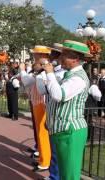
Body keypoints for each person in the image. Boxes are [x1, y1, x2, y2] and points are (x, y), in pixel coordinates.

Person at [44, 40, 91, 180]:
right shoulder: (69, 74)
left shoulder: (78, 78)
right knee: (65, 174)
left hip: (70, 132)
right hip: (62, 130)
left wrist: (50, 74)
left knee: (69, 176)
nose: (60, 58)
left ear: (75, 59)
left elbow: (59, 96)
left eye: (64, 55)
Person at [20, 45, 51, 172]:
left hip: (41, 104)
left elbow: (27, 82)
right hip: (37, 102)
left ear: (42, 56)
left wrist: (22, 70)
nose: (34, 56)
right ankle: (42, 157)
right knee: (40, 133)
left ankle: (45, 161)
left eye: (36, 54)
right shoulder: (40, 68)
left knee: (42, 133)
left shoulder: (44, 68)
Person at [36, 43, 65, 180]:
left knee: (58, 150)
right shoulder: (54, 71)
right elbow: (43, 90)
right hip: (51, 111)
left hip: (59, 115)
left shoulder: (61, 73)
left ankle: (56, 176)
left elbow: (50, 91)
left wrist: (45, 74)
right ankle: (53, 175)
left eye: (54, 53)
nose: (51, 56)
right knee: (54, 149)